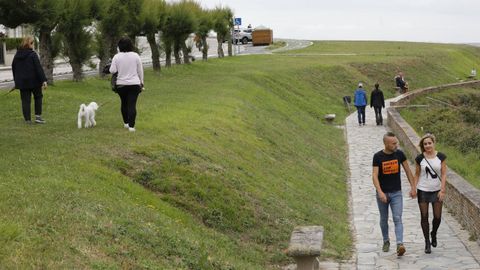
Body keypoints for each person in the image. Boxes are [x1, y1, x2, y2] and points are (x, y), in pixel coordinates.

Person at [372, 132, 415, 256]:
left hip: (396, 193)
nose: (396, 145)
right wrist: (380, 192)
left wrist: (413, 187)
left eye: (396, 142)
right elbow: (374, 175)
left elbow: (408, 171)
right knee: (384, 219)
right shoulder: (378, 157)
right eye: (393, 143)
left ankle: (400, 244)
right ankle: (386, 241)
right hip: (382, 193)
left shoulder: (400, 154)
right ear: (386, 144)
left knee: (397, 218)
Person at [413, 133, 447, 254]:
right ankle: (427, 242)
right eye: (425, 144)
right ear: (423, 145)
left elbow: (443, 174)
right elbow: (417, 174)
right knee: (424, 216)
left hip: (437, 190)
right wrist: (413, 188)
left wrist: (442, 190)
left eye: (429, 143)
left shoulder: (441, 157)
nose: (427, 145)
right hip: (423, 190)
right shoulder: (420, 158)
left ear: (433, 143)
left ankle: (433, 233)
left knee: (437, 217)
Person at [109, 37, 144, 132]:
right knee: (132, 105)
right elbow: (140, 70)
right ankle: (132, 127)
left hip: (121, 85)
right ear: (131, 45)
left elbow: (112, 70)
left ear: (119, 46)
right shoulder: (136, 56)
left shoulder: (116, 57)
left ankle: (126, 123)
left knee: (124, 103)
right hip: (134, 84)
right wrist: (142, 82)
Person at [11, 36, 48, 124]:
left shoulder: (17, 55)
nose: (33, 45)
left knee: (25, 100)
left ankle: (27, 120)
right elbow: (38, 68)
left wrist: (16, 82)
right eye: (32, 43)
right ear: (29, 44)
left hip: (23, 83)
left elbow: (14, 68)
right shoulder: (33, 54)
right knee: (38, 97)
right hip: (34, 81)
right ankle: (38, 117)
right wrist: (44, 80)